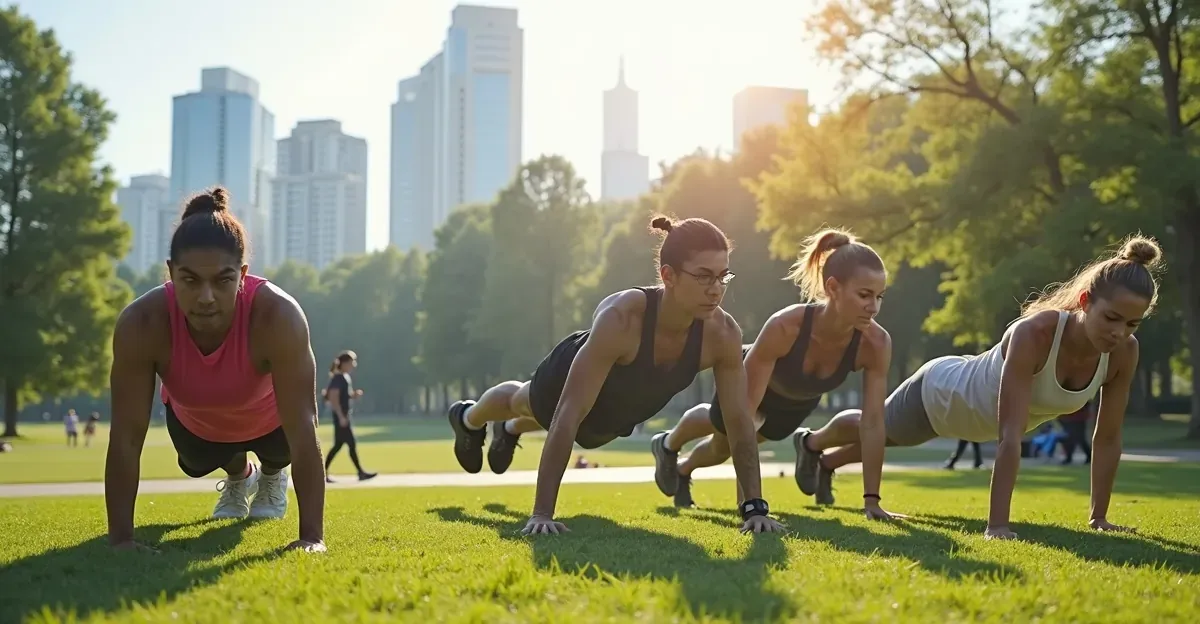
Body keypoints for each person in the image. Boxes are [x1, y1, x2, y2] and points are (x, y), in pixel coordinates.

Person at [793, 235, 1163, 540]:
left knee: (891, 438)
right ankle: (811, 442)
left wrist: (1098, 517)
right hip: (942, 394)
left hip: (970, 419)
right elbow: (1010, 436)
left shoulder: (1122, 353)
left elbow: (1108, 438)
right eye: (1111, 318)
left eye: (1132, 324)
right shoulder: (1035, 334)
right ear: (1085, 302)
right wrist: (997, 525)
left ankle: (825, 463)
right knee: (876, 426)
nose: (1119, 332)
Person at [446, 216, 785, 536]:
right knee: (524, 401)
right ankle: (469, 418)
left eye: (723, 276)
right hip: (567, 380)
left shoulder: (722, 334)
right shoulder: (623, 320)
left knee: (584, 430)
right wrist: (542, 514)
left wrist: (754, 508)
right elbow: (568, 414)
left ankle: (509, 430)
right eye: (703, 276)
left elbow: (739, 422)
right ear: (668, 275)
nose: (716, 289)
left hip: (618, 409)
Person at [105, 186, 326, 553]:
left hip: (272, 426)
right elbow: (126, 437)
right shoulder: (141, 323)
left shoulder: (279, 317)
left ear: (242, 274)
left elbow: (305, 428)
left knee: (283, 448)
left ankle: (271, 475)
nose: (206, 297)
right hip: (198, 426)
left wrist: (312, 539)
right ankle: (239, 476)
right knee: (195, 462)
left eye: (222, 280)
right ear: (171, 272)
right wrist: (121, 540)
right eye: (190, 280)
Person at [651, 228, 899, 521]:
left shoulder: (876, 344)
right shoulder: (786, 327)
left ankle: (682, 470)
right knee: (724, 439)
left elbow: (871, 424)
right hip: (753, 383)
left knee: (721, 449)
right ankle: (669, 444)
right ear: (833, 288)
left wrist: (872, 501)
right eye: (864, 295)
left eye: (879, 296)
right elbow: (745, 416)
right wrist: (750, 508)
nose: (874, 307)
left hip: (796, 402)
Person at [323, 350, 377, 482]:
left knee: (339, 445)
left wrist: (353, 395)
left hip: (345, 416)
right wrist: (341, 416)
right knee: (350, 444)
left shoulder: (344, 377)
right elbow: (333, 398)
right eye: (352, 362)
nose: (354, 365)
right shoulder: (338, 378)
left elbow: (342, 396)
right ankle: (360, 472)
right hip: (341, 417)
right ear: (345, 363)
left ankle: (324, 473)